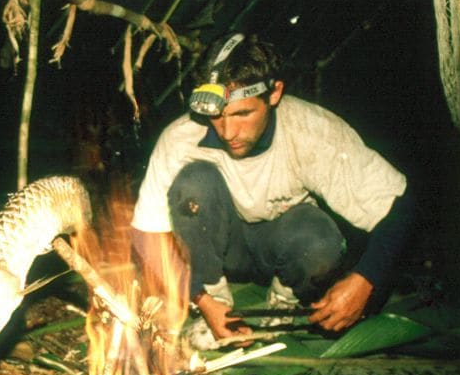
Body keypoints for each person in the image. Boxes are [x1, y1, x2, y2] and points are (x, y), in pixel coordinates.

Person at [130, 33, 414, 347]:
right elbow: (146, 235)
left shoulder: (312, 131)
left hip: (283, 245)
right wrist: (198, 297)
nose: (228, 132)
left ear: (274, 93)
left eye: (242, 114)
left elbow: (400, 207)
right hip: (220, 247)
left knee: (318, 236)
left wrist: (366, 281)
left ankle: (283, 302)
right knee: (194, 183)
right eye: (217, 117)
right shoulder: (181, 138)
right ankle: (215, 306)